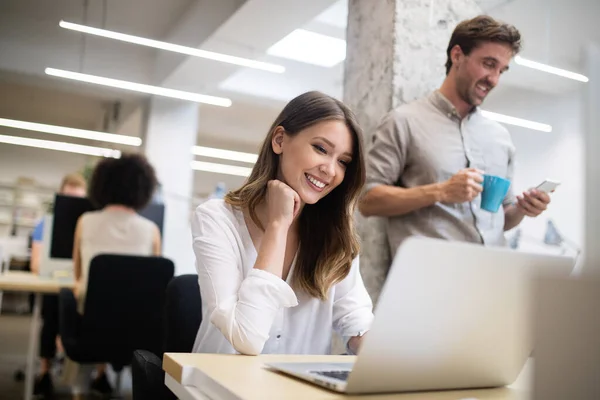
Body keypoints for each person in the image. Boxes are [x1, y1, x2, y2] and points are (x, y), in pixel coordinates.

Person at [191, 91, 374, 356]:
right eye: (321, 149)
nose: (330, 170)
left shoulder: (334, 236)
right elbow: (246, 338)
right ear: (279, 140)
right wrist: (278, 225)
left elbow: (358, 323)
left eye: (343, 162)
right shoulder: (216, 219)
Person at [359, 15, 551, 255]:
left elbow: (502, 218)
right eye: (489, 64)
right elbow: (367, 201)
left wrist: (523, 209)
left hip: (491, 274)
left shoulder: (500, 137)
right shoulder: (404, 121)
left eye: (502, 70)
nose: (494, 79)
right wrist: (441, 191)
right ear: (457, 55)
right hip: (431, 278)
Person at [65, 153, 161, 397]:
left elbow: (78, 279)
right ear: (144, 188)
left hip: (91, 330)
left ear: (100, 186)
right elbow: (153, 287)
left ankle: (79, 386)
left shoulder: (85, 221)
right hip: (139, 333)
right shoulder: (151, 231)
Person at [31, 173, 87, 398]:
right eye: (68, 198)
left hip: (81, 286)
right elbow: (36, 263)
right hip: (56, 284)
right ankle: (45, 372)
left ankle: (95, 375)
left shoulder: (88, 225)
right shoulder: (46, 224)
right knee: (52, 309)